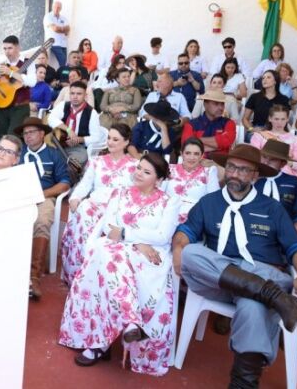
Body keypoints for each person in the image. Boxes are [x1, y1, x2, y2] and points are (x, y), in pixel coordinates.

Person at [173, 144, 297, 388]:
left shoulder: (272, 208)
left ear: (256, 176)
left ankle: (243, 383)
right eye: (231, 167)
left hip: (264, 270)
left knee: (251, 302)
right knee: (192, 253)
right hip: (219, 281)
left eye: (243, 170)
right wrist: (178, 248)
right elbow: (185, 232)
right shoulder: (209, 202)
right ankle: (274, 297)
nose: (235, 174)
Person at [59, 153, 179, 376]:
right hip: (119, 247)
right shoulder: (120, 193)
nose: (138, 173)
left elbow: (162, 235)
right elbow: (110, 227)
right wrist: (135, 240)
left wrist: (134, 240)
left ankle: (100, 344)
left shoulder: (169, 201)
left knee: (109, 259)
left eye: (146, 171)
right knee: (108, 253)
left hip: (149, 254)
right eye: (138, 168)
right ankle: (128, 323)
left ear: (159, 178)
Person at [60, 124, 138, 285]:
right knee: (84, 211)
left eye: (115, 139)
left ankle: (100, 275)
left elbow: (136, 192)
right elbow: (85, 184)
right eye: (109, 138)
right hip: (95, 204)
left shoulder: (134, 166)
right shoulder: (97, 162)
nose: (110, 142)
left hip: (118, 208)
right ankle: (80, 273)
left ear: (126, 142)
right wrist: (75, 198)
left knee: (105, 221)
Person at [15, 117, 71, 300]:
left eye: (32, 132)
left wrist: (42, 194)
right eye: (25, 133)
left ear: (41, 134)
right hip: (19, 197)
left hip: (44, 197)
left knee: (42, 220)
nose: (28, 136)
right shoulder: (19, 154)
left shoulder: (53, 154)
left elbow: (64, 184)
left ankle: (34, 276)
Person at [254, 140, 297, 237]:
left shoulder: (294, 182)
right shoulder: (251, 179)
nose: (266, 161)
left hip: (284, 231)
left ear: (283, 163)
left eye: (273, 159)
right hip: (253, 230)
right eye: (264, 156)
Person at [0, 35, 37, 139]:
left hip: (20, 107)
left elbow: (32, 82)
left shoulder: (28, 62)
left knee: (13, 137)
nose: (7, 51)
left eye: (10, 48)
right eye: (5, 48)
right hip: (3, 107)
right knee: (0, 137)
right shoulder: (2, 64)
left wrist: (11, 73)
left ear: (18, 47)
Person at [164, 137, 220, 223]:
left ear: (202, 156)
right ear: (182, 154)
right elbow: (159, 194)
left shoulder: (209, 172)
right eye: (188, 153)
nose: (191, 157)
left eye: (196, 154)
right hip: (166, 215)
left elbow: (213, 200)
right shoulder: (169, 170)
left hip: (193, 219)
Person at [48, 81, 103, 167]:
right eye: (72, 93)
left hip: (76, 147)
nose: (75, 97)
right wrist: (68, 130)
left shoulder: (92, 113)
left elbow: (96, 137)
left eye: (79, 94)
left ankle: (63, 170)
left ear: (85, 96)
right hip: (58, 142)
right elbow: (50, 118)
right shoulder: (63, 105)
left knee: (81, 157)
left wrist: (79, 139)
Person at [250, 104, 297, 179]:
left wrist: (285, 162)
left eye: (283, 119)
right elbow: (254, 156)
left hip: (286, 174)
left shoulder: (296, 139)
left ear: (287, 119)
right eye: (276, 119)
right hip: (263, 171)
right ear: (270, 119)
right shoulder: (259, 136)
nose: (279, 122)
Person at [182, 89, 236, 158]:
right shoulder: (191, 124)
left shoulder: (229, 123)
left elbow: (226, 142)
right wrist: (218, 146)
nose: (221, 108)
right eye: (216, 103)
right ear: (205, 104)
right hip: (197, 163)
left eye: (222, 104)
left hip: (220, 164)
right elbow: (187, 147)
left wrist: (196, 140)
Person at [242, 70, 290, 139]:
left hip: (276, 129)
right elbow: (245, 119)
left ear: (275, 81)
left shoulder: (283, 99)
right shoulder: (255, 97)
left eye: (268, 77)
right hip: (258, 129)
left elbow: (285, 120)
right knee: (257, 139)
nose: (264, 80)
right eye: (263, 78)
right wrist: (252, 129)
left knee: (276, 141)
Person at [43, 0, 70, 67]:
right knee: (63, 61)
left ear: (60, 9)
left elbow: (68, 29)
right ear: (52, 7)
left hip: (63, 44)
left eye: (58, 7)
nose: (57, 9)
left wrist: (60, 29)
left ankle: (63, 76)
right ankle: (63, 76)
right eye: (55, 7)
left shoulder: (63, 18)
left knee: (65, 62)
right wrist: (63, 29)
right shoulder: (48, 16)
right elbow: (55, 29)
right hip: (53, 43)